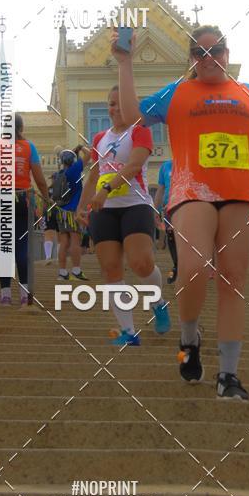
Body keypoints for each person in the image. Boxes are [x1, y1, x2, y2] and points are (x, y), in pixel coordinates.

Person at [113, 24, 249, 400]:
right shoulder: (177, 91)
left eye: (218, 50)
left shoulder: (246, 93)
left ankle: (229, 375)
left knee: (232, 279)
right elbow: (132, 117)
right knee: (194, 268)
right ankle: (188, 337)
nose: (210, 58)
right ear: (191, 61)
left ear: (228, 53)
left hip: (239, 195)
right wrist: (125, 63)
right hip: (191, 190)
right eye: (200, 52)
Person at [77, 86, 170, 343]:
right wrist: (81, 205)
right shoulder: (99, 139)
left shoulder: (140, 131)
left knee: (141, 263)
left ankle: (158, 302)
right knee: (111, 269)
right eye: (111, 104)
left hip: (135, 204)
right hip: (103, 210)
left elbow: (133, 166)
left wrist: (106, 189)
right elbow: (94, 174)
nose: (114, 109)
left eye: (120, 103)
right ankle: (129, 332)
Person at [0, 114, 49, 306]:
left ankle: (5, 295)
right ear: (21, 128)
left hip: (1, 198)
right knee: (21, 246)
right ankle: (23, 293)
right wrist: (45, 200)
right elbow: (40, 179)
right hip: (22, 198)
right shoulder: (29, 147)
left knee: (4, 247)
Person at [52, 145, 90, 282]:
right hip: (73, 210)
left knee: (63, 242)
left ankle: (62, 272)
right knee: (75, 240)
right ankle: (76, 270)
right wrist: (80, 148)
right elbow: (90, 154)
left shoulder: (59, 174)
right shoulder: (75, 170)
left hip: (61, 211)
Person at [154, 158, 178, 284]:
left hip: (186, 205)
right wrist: (155, 210)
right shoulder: (165, 166)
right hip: (168, 207)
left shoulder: (192, 160)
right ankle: (177, 266)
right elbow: (160, 189)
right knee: (171, 236)